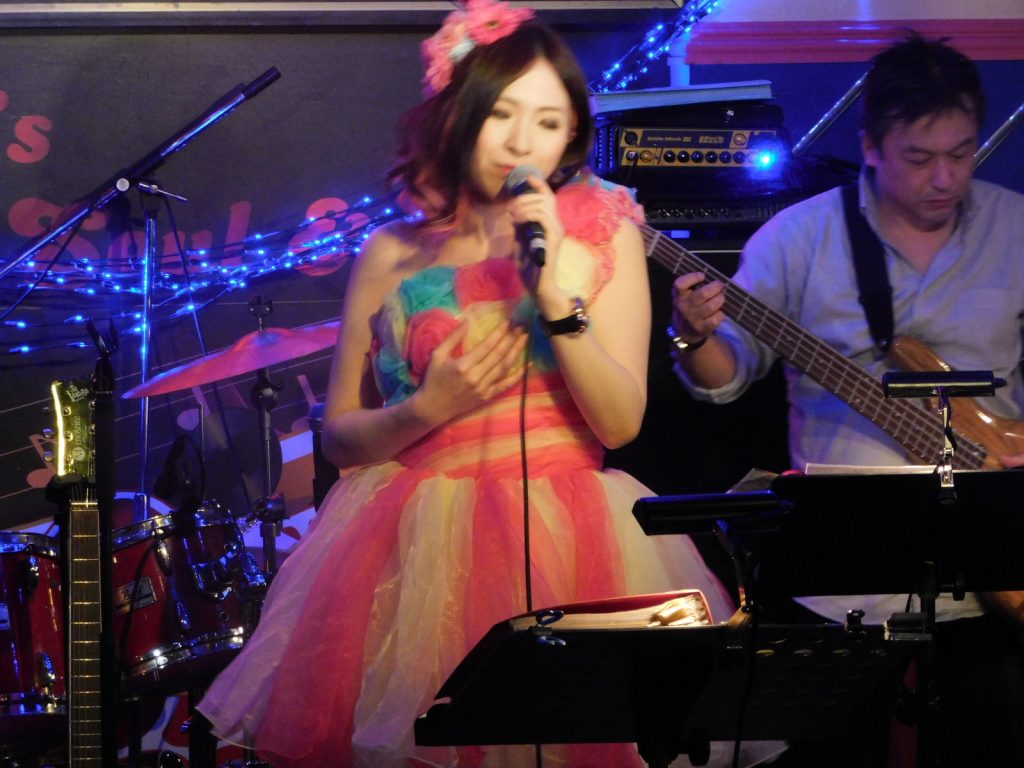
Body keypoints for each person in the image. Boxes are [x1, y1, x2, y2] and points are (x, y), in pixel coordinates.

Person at [197, 3, 743, 766]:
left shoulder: (603, 231)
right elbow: (341, 434)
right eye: (502, 114)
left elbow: (620, 424)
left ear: (571, 138)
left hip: (570, 530)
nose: (522, 142)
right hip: (408, 539)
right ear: (457, 115)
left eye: (548, 123)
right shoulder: (392, 250)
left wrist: (554, 296)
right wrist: (428, 408)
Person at [670, 32, 1024, 766]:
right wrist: (692, 335)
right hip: (844, 590)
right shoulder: (799, 239)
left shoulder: (1016, 228)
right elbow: (726, 377)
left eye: (961, 153)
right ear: (869, 146)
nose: (945, 179)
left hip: (996, 566)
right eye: (918, 159)